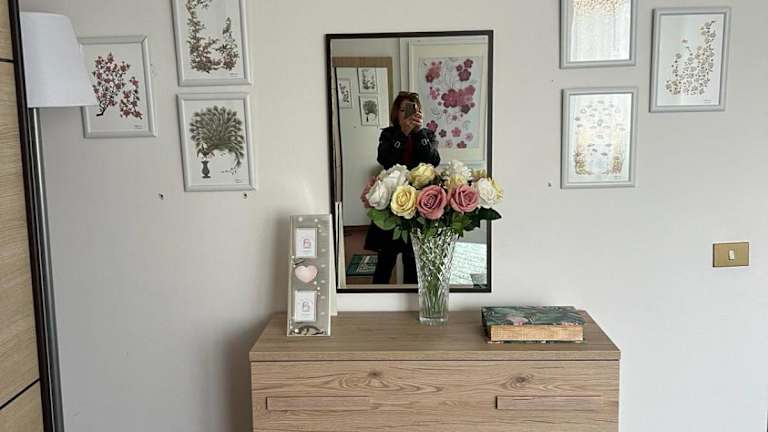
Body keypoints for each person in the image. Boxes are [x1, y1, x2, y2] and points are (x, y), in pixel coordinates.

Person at [364, 92, 440, 284]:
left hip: (417, 203)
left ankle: (409, 298)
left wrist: (419, 132)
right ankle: (376, 297)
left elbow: (433, 161)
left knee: (412, 260)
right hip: (390, 201)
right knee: (385, 260)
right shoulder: (389, 135)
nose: (409, 113)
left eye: (414, 109)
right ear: (396, 113)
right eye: (404, 109)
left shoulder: (427, 135)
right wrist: (403, 134)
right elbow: (385, 160)